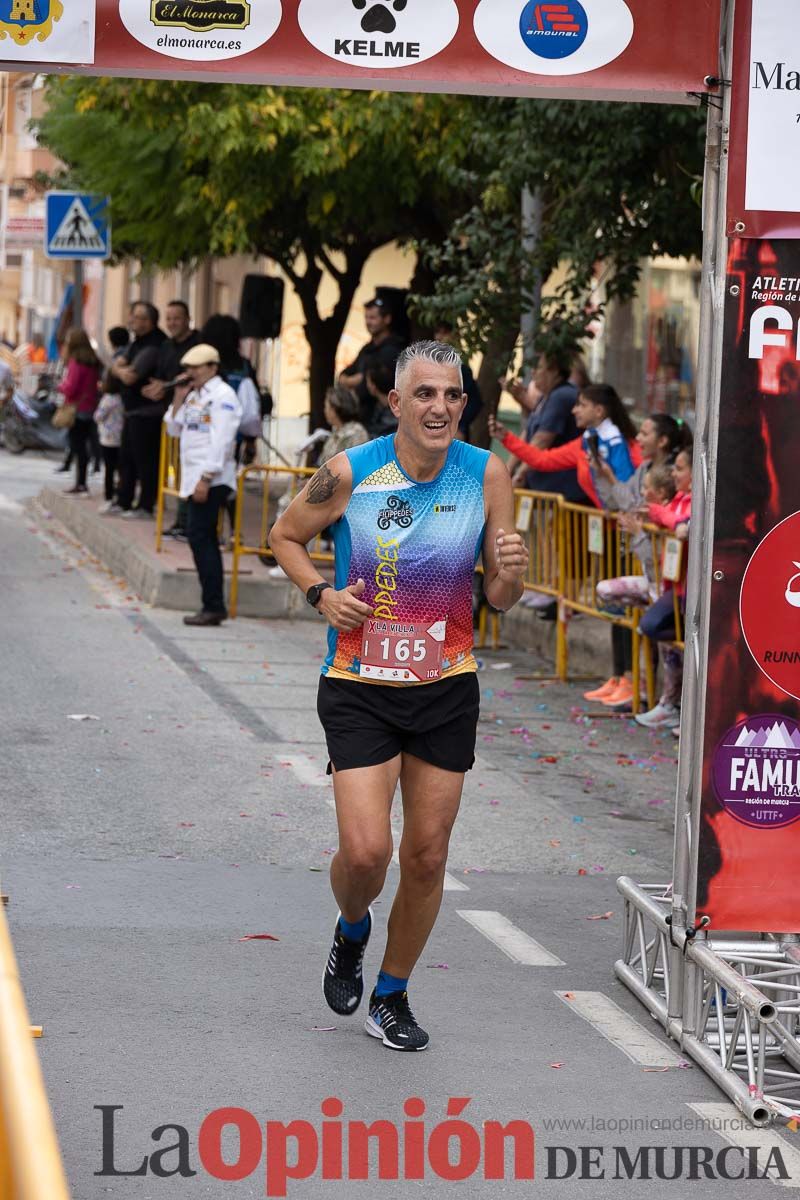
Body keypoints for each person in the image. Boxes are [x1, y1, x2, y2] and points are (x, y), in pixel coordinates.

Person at [269, 340, 528, 1051]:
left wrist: (511, 572)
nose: (439, 407)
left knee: (426, 857)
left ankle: (392, 993)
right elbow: (285, 535)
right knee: (364, 855)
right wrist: (321, 593)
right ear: (396, 402)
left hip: (446, 686)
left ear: (464, 405)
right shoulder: (351, 471)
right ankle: (352, 930)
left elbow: (502, 597)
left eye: (451, 395)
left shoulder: (487, 474)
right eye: (424, 394)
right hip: (359, 686)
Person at [585, 413, 692, 707]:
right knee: (612, 599)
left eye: (645, 432)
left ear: (663, 440)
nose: (639, 439)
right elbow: (623, 502)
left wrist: (645, 527)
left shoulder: (674, 491)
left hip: (668, 580)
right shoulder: (645, 468)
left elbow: (661, 526)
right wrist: (605, 476)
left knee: (655, 629)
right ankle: (628, 678)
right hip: (652, 575)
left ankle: (662, 698)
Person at [163, 343, 242, 627]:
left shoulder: (223, 396)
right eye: (188, 368)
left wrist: (206, 478)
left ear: (212, 367)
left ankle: (213, 605)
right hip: (194, 478)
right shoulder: (195, 396)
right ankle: (211, 604)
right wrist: (178, 398)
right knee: (200, 538)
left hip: (211, 479)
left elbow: (222, 440)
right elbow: (173, 428)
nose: (190, 373)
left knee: (201, 537)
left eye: (196, 368)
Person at [489, 382, 640, 509]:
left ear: (599, 411)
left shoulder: (625, 446)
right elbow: (543, 460)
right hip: (608, 525)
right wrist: (507, 438)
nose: (574, 410)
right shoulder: (584, 443)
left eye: (581, 405)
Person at [635, 446, 693, 730]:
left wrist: (670, 519)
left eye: (680, 469)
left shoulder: (696, 503)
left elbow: (679, 523)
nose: (674, 473)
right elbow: (671, 519)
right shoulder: (679, 500)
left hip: (690, 590)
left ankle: (682, 708)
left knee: (657, 627)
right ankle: (670, 703)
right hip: (674, 586)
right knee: (654, 629)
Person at [112, 301, 167, 518]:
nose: (137, 322)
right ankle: (123, 500)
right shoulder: (136, 342)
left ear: (152, 321)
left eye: (143, 318)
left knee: (146, 462)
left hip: (148, 412)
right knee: (126, 459)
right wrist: (118, 368)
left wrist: (119, 369)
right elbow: (117, 365)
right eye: (135, 317)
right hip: (132, 410)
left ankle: (145, 505)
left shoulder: (155, 343)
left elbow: (129, 375)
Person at [339, 297, 406, 428]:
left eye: (373, 318)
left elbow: (373, 380)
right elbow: (343, 374)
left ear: (387, 319)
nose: (368, 322)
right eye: (366, 317)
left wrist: (359, 380)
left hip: (385, 420)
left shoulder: (394, 350)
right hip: (364, 419)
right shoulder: (366, 349)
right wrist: (351, 380)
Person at [58, 329, 101, 496]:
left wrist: (60, 386)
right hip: (90, 406)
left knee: (78, 446)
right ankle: (82, 481)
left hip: (77, 409)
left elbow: (71, 388)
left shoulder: (76, 362)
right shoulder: (93, 362)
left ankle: (81, 483)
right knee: (86, 445)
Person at [433, 322, 483, 441]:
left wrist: (460, 426)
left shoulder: (461, 369)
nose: (439, 337)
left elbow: (474, 402)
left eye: (444, 333)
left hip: (453, 431)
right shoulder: (429, 365)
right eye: (437, 333)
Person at [320, 385, 369, 461]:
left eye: (326, 407)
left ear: (334, 409)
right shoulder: (336, 432)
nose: (325, 411)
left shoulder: (356, 433)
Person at [365, 364, 399, 439]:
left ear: (374, 386)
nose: (367, 385)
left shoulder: (392, 413)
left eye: (368, 382)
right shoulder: (378, 406)